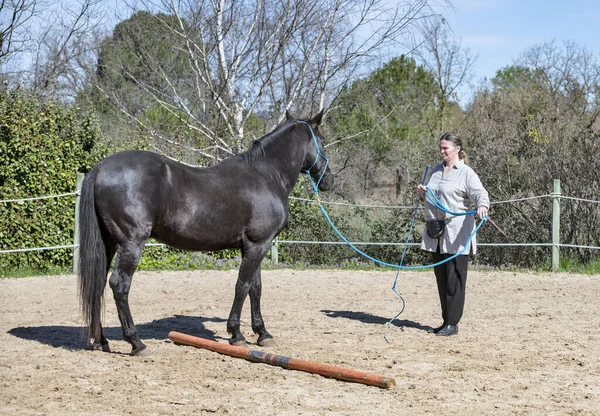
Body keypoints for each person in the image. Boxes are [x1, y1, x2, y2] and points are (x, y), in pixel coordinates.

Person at [416, 132, 489, 337]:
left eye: (445, 148)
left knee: (454, 279)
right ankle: (445, 320)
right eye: (440, 148)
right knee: (441, 278)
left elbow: (479, 193)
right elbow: (434, 196)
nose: (442, 151)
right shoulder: (437, 171)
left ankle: (453, 323)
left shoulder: (466, 172)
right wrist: (424, 194)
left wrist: (482, 205)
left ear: (457, 149)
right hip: (435, 232)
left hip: (457, 234)